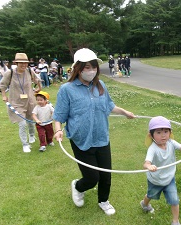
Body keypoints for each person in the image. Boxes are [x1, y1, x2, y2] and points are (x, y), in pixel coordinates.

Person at [53, 48, 136, 215]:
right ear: (78, 68)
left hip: (101, 137)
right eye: (87, 67)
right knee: (92, 178)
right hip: (80, 139)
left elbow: (109, 105)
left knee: (106, 175)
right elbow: (59, 115)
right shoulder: (66, 89)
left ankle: (103, 201)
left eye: (94, 67)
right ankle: (78, 186)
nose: (91, 71)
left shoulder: (100, 85)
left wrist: (125, 112)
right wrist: (58, 130)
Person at [140, 116, 181, 225]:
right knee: (150, 195)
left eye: (166, 131)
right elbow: (146, 163)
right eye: (158, 132)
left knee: (174, 200)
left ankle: (175, 222)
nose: (163, 135)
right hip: (156, 180)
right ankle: (144, 204)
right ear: (151, 135)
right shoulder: (152, 149)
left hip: (169, 178)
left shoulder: (171, 143)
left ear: (170, 133)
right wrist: (149, 166)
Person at [0, 53, 42, 153]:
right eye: (21, 63)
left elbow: (37, 79)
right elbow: (2, 85)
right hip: (16, 102)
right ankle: (25, 144)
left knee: (31, 120)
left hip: (30, 100)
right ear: (16, 63)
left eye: (25, 63)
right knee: (22, 123)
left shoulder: (29, 71)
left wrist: (39, 87)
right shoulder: (10, 73)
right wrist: (4, 95)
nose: (23, 65)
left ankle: (31, 135)